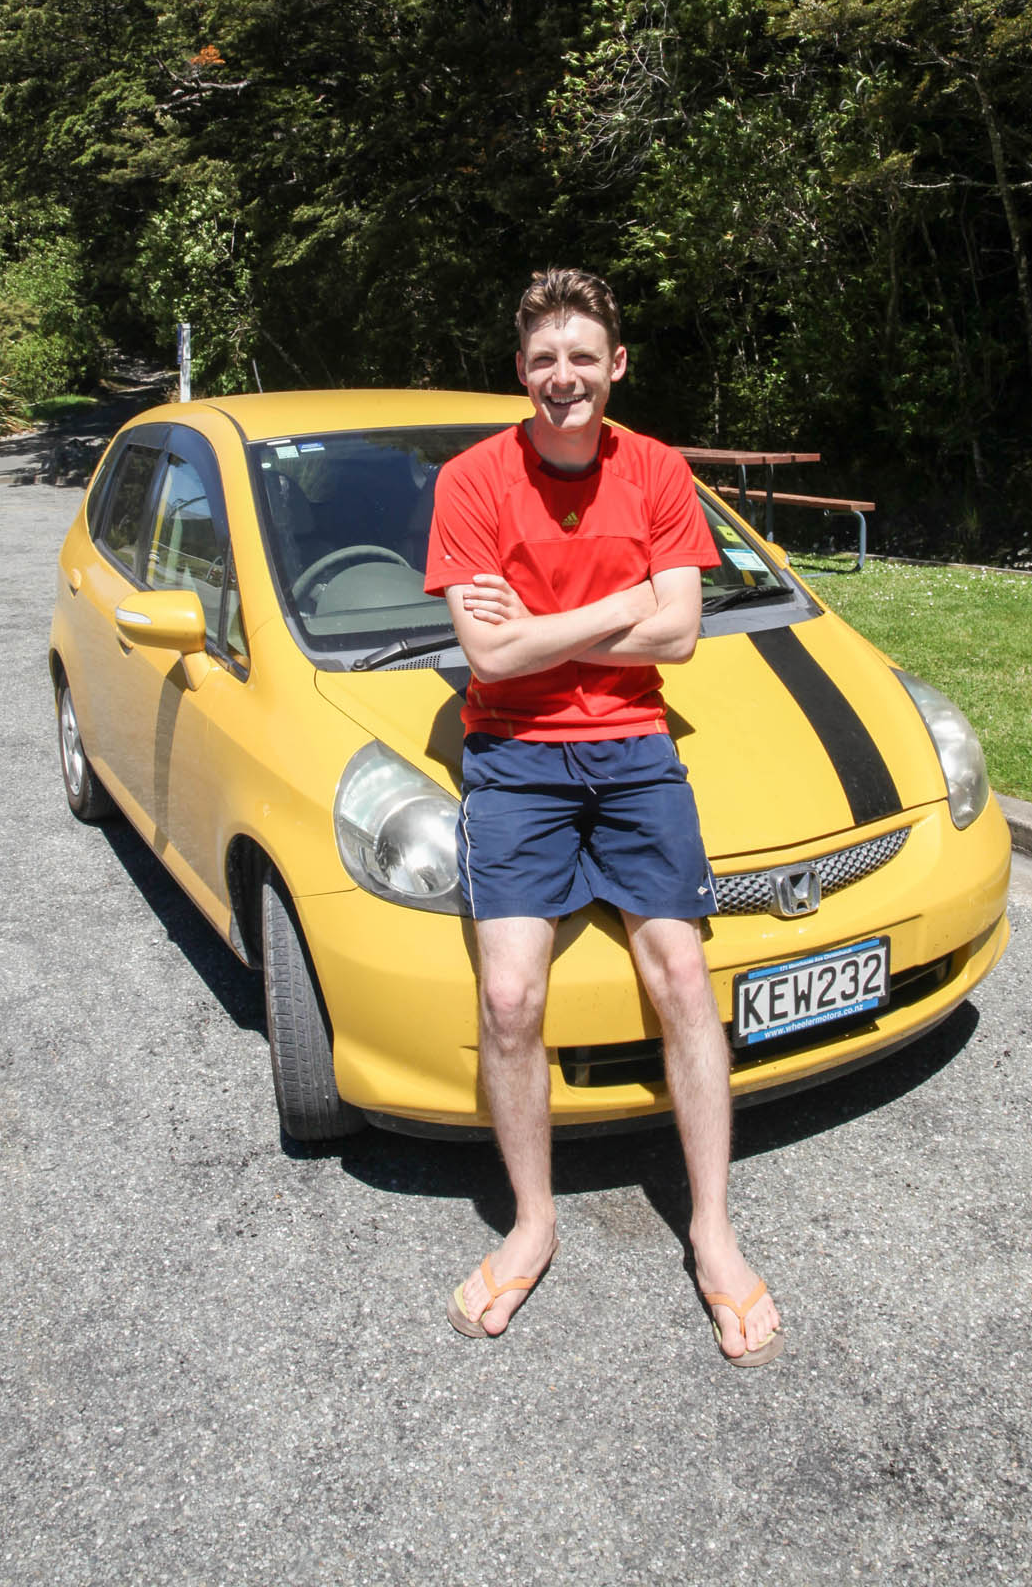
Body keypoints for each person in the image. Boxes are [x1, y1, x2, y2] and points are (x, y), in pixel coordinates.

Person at [424, 268, 783, 1366]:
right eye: (544, 360)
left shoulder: (660, 471)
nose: (563, 377)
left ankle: (712, 1231)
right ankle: (532, 1223)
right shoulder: (472, 482)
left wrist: (541, 624)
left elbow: (680, 636)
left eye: (582, 356)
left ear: (616, 365)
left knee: (682, 977)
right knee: (508, 996)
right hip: (514, 757)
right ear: (520, 371)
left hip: (634, 752)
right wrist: (625, 601)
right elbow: (487, 658)